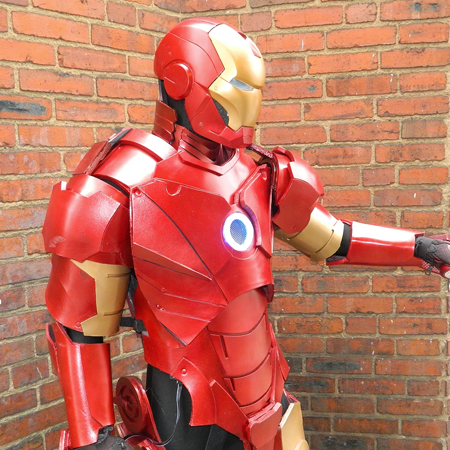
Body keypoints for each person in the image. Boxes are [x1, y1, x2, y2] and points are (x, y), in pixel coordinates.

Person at [42, 18, 450, 450]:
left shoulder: (257, 174)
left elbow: (334, 239)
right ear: (181, 80)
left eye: (255, 88)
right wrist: (93, 437)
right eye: (238, 84)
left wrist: (420, 247)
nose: (249, 101)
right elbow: (79, 325)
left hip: (268, 391)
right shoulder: (125, 178)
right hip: (188, 405)